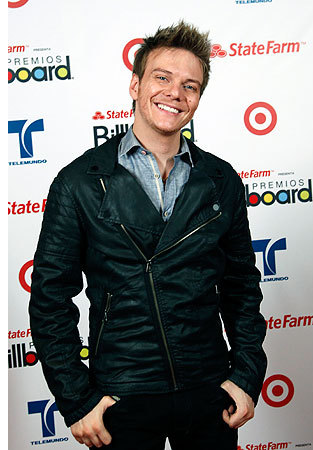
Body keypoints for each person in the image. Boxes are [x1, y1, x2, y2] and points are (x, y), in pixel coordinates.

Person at [29, 21, 266, 449]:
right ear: (135, 85)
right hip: (121, 394)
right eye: (162, 78)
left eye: (190, 86)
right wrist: (77, 399)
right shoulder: (79, 182)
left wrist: (246, 376)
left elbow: (242, 286)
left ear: (198, 99)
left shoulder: (221, 179)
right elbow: (50, 299)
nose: (175, 93)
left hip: (208, 390)